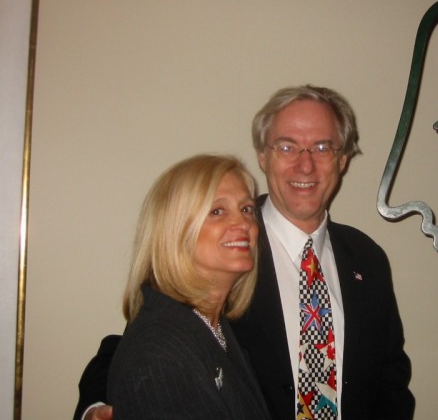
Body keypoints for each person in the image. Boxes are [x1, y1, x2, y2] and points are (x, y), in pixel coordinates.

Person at [74, 85, 414, 420]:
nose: (305, 165)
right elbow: (146, 341)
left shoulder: (367, 258)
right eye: (287, 147)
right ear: (263, 156)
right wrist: (97, 407)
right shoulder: (223, 250)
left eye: (322, 147)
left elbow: (390, 374)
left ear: (342, 160)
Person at [103, 154, 272, 419]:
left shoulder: (211, 325)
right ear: (174, 229)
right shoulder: (159, 354)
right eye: (217, 211)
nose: (243, 223)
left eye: (247, 209)